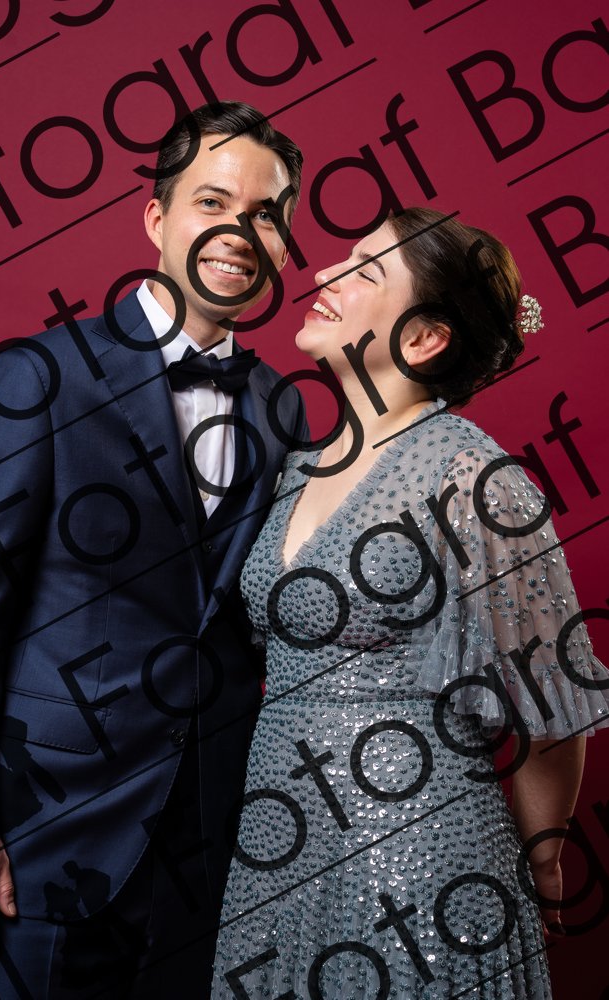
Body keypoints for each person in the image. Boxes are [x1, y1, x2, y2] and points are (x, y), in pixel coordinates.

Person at [0, 101, 307, 998]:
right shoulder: (39, 377)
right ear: (155, 218)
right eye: (212, 202)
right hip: (36, 835)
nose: (238, 233)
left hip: (206, 838)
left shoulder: (281, 406)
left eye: (265, 214)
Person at [211, 208, 609, 999]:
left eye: (365, 271)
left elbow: (553, 707)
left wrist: (541, 859)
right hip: (275, 851)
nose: (323, 274)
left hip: (420, 855)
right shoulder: (292, 469)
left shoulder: (472, 479)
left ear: (424, 339)